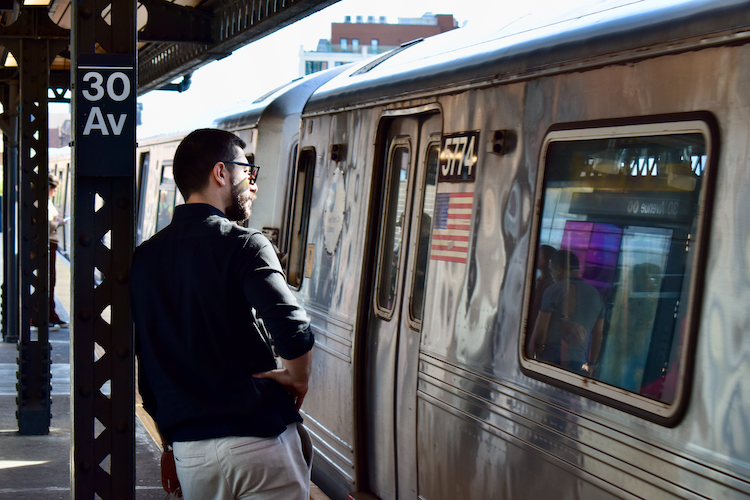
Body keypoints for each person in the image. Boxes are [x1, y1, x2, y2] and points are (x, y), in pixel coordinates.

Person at [130, 128, 315, 500]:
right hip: (257, 440)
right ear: (221, 173)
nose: (253, 184)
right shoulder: (245, 244)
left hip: (192, 455)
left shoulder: (143, 258)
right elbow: (292, 331)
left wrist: (169, 447)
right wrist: (297, 377)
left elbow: (147, 366)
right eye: (248, 172)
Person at [528, 249, 604, 376]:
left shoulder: (554, 290)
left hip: (549, 359)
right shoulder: (596, 295)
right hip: (577, 361)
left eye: (552, 271)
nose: (551, 275)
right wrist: (591, 363)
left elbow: (541, 330)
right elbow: (598, 335)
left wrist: (535, 356)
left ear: (558, 270)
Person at [47, 174, 68, 329]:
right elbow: (45, 225)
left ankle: (50, 314)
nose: (54, 193)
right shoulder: (41, 201)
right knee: (49, 280)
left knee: (50, 280)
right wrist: (58, 222)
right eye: (54, 190)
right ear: (49, 188)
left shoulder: (43, 201)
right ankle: (48, 315)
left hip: (49, 244)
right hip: (48, 244)